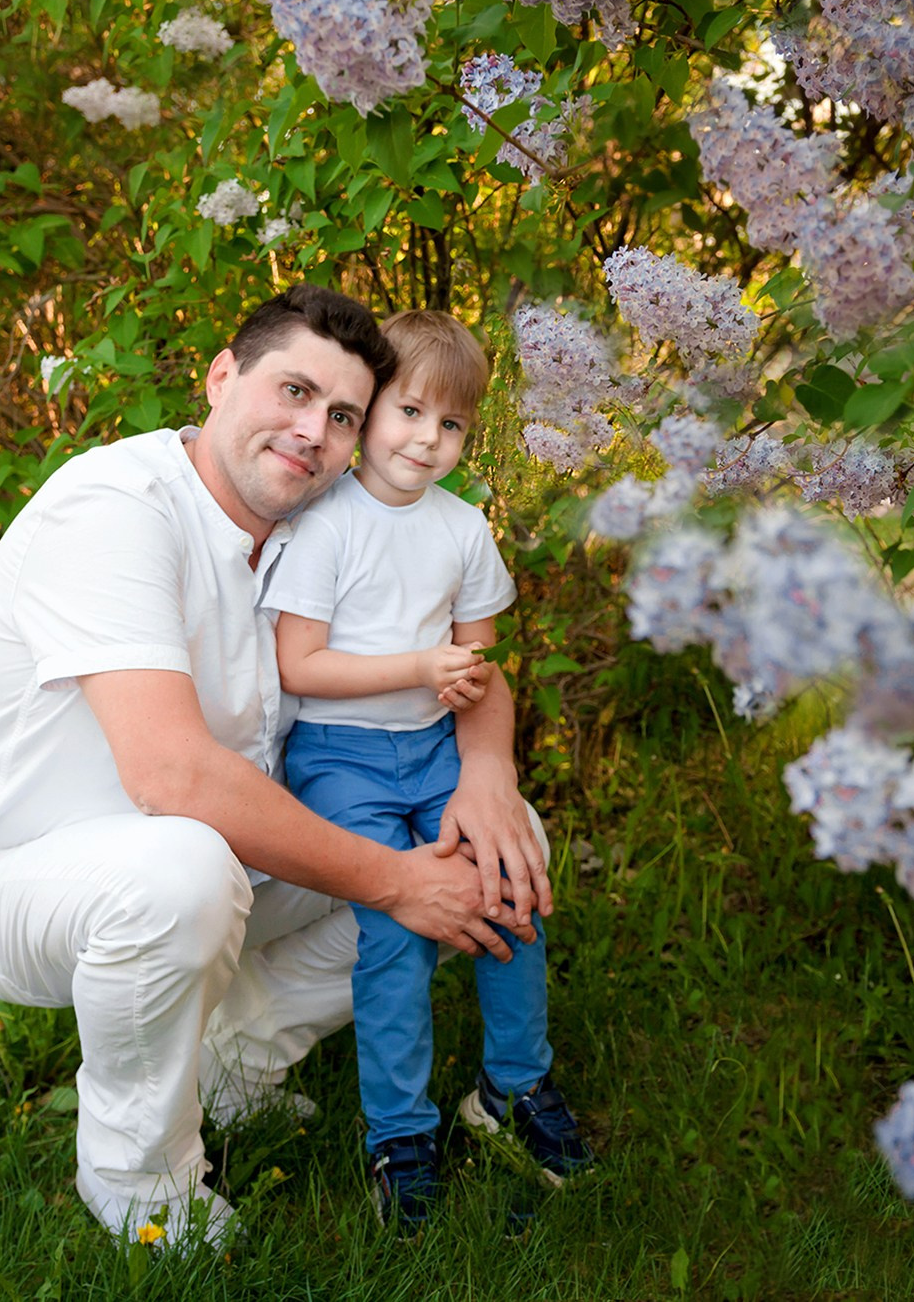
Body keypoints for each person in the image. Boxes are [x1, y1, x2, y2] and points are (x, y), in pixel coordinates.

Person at [0, 285, 555, 1249]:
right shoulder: (114, 507)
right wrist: (397, 881)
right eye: (294, 391)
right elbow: (170, 777)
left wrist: (488, 773)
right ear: (222, 376)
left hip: (233, 864)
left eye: (342, 415)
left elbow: (474, 666)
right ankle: (141, 1178)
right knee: (185, 872)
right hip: (37, 882)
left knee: (493, 844)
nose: (312, 431)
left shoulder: (319, 519)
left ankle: (235, 1063)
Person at [265, 310, 594, 1234]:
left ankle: (511, 1088)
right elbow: (299, 665)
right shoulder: (325, 523)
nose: (427, 439)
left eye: (450, 424)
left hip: (436, 751)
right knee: (399, 926)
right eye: (409, 411)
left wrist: (461, 698)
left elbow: (479, 663)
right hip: (340, 756)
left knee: (509, 886)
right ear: (369, 409)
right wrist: (419, 666)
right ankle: (399, 1133)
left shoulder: (462, 529)